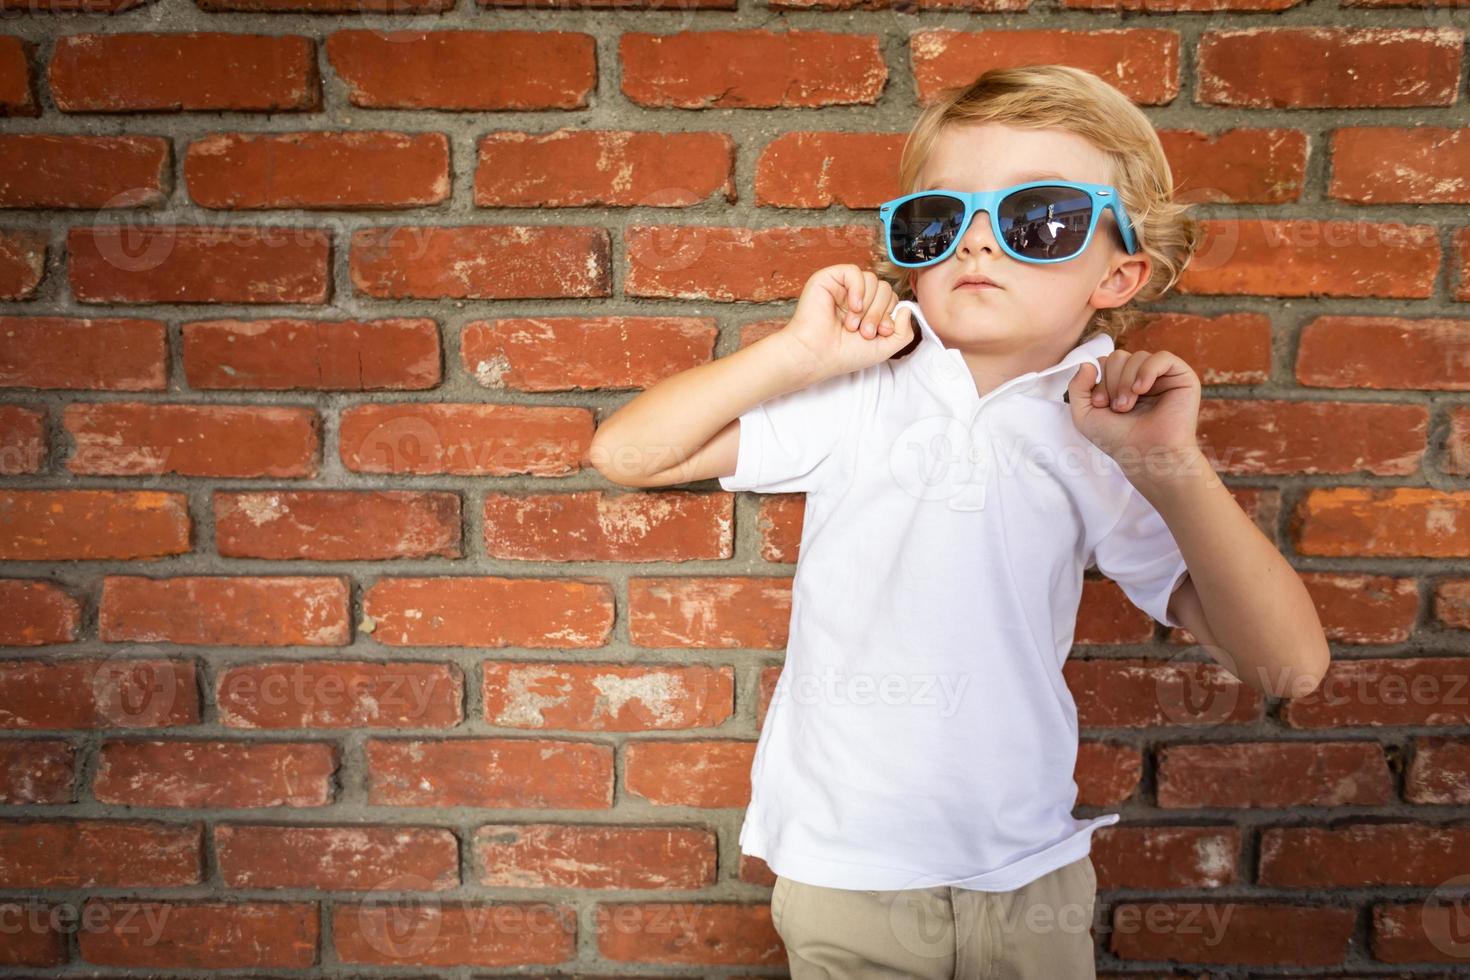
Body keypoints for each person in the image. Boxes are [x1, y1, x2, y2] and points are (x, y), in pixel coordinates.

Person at [589, 64, 1329, 979]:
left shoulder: (1111, 427)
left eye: (1039, 220)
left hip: (1029, 876)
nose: (977, 246)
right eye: (940, 220)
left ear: (1120, 271)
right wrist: (797, 354)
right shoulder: (858, 394)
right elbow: (627, 455)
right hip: (845, 874)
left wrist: (1168, 463)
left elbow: (1288, 666)